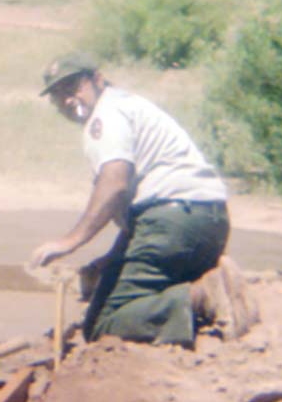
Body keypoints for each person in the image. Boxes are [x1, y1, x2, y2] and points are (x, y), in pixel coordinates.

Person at [30, 51, 229, 347]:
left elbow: (115, 184)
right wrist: (112, 262)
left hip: (172, 219)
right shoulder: (127, 106)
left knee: (104, 323)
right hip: (207, 221)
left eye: (73, 87)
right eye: (58, 95)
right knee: (110, 295)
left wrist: (69, 242)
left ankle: (201, 297)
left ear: (97, 80)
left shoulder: (105, 117)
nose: (68, 100)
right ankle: (198, 292)